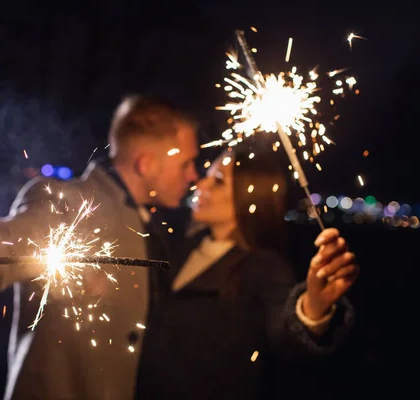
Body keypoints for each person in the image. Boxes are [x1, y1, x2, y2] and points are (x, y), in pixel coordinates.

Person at [0, 94, 199, 400]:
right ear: (147, 164)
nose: (193, 174)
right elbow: (8, 242)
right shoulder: (71, 204)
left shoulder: (152, 224)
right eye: (186, 163)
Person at [135, 137, 359, 399]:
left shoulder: (264, 267)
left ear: (248, 195)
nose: (201, 184)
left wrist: (312, 308)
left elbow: (284, 332)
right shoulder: (183, 248)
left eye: (217, 180)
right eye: (208, 176)